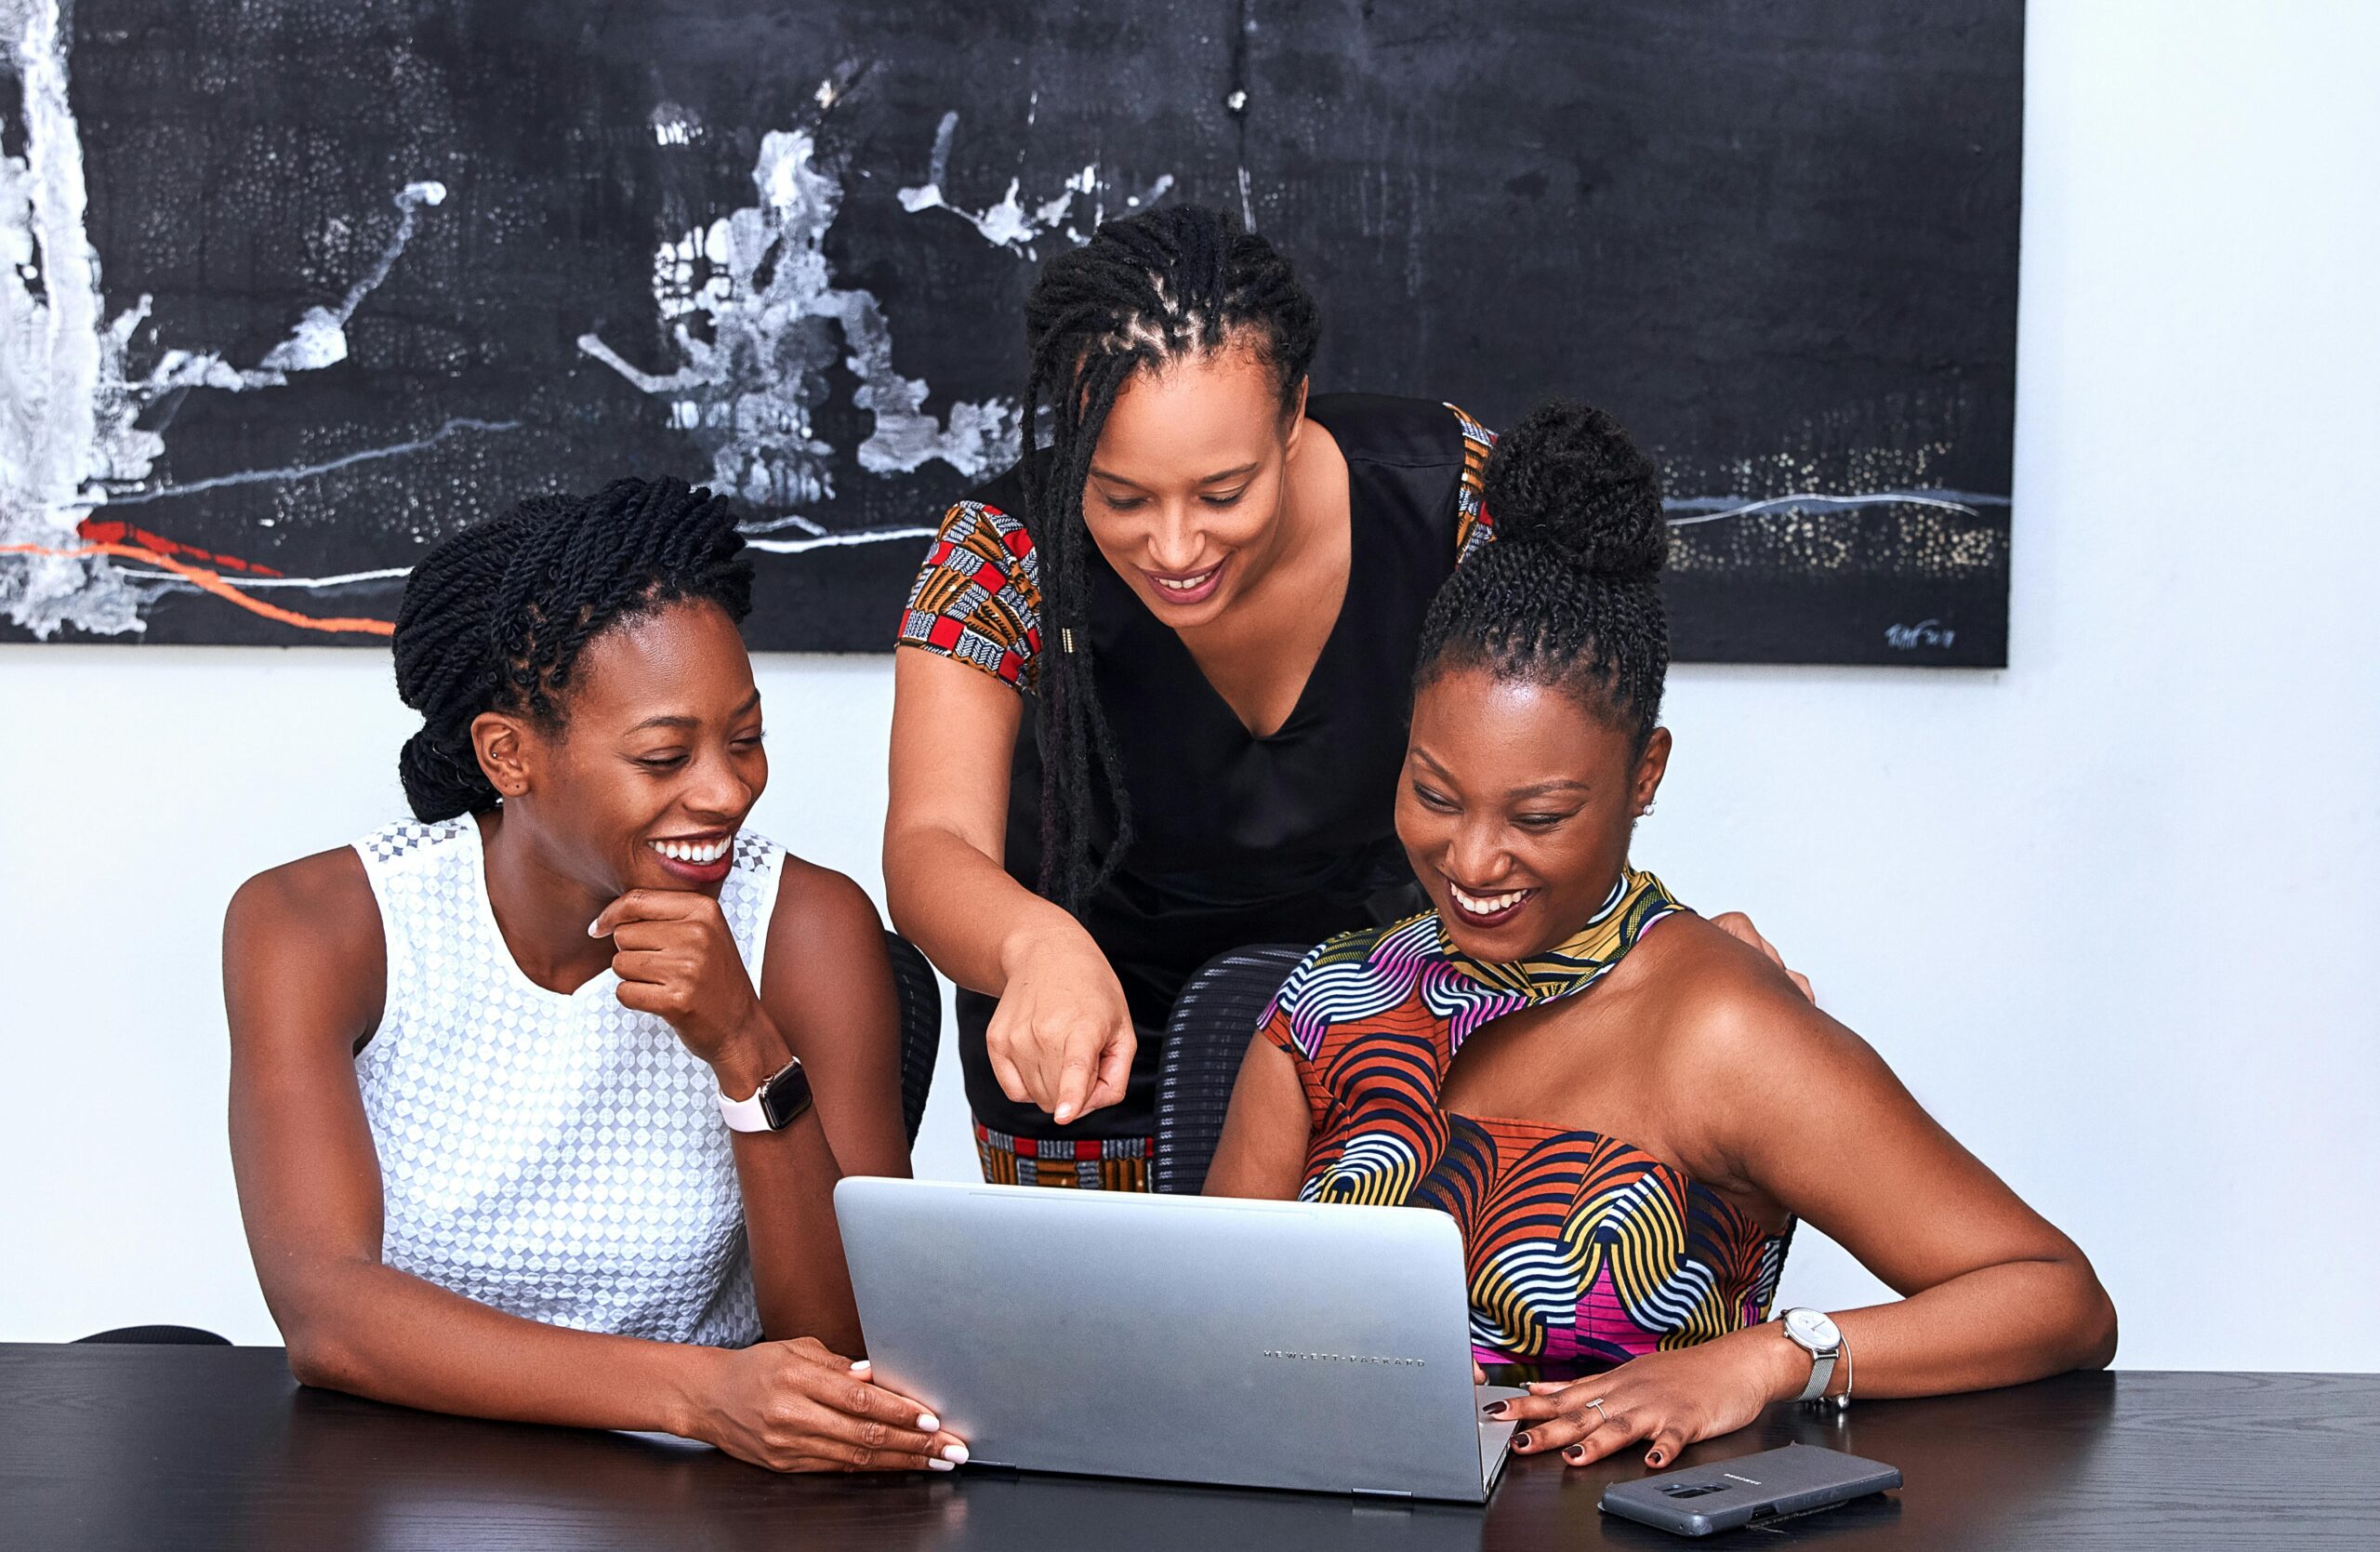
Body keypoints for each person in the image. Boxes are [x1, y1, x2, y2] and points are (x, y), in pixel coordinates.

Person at [1204, 403, 2117, 1470]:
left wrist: (1773, 1358)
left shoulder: (1720, 1028)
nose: (1472, 858)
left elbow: (2057, 1300)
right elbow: (1210, 1326)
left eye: (1538, 816)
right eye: (1434, 793)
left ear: (1645, 776)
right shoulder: (1327, 1004)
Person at [884, 205, 1803, 1187]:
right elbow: (928, 844)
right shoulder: (998, 551)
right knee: (1105, 1342)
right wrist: (1031, 946)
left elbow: (1564, 751)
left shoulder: (1451, 501)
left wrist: (1661, 949)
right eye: (1120, 497)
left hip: (1381, 1051)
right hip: (1081, 1068)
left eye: (1223, 491)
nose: (1176, 546)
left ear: (1293, 416)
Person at [225, 478, 965, 1474]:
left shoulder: (806, 926)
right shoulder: (318, 927)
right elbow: (329, 1312)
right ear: (509, 754)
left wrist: (746, 1049)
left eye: (744, 739)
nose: (724, 789)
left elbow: (848, 1350)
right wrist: (697, 1392)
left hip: (700, 1502)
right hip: (397, 1475)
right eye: (664, 756)